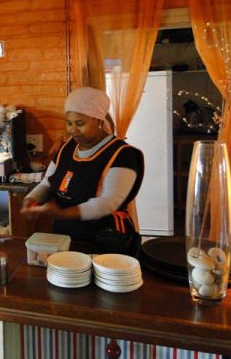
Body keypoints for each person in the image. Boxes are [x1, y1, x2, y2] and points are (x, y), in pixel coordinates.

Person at [20, 87, 144, 256]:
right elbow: (48, 182)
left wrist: (62, 213)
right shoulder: (66, 148)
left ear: (98, 120)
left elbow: (108, 202)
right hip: (64, 236)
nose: (73, 130)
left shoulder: (122, 154)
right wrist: (32, 199)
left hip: (105, 239)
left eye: (80, 124)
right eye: (69, 123)